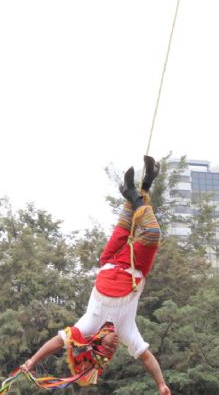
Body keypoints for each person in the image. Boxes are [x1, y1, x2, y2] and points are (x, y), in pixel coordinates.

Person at [22, 156, 172, 395]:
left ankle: (137, 190)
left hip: (110, 261)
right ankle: (137, 191)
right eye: (113, 351)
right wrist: (161, 384)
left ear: (96, 343)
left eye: (107, 348)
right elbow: (146, 358)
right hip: (135, 268)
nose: (113, 346)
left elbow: (58, 341)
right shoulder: (126, 332)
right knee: (152, 233)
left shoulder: (89, 327)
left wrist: (32, 361)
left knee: (125, 222)